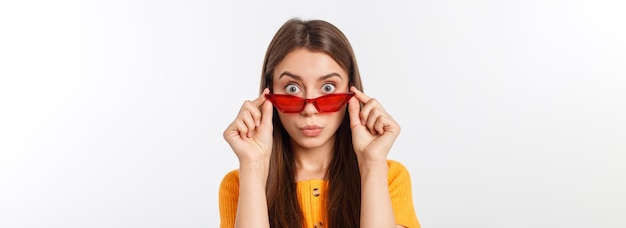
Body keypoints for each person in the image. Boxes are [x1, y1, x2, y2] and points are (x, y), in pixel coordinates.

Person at [219, 18, 420, 228]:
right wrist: (252, 164)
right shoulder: (239, 185)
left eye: (328, 88)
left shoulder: (389, 177)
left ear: (352, 91)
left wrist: (372, 163)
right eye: (292, 88)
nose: (309, 110)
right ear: (269, 93)